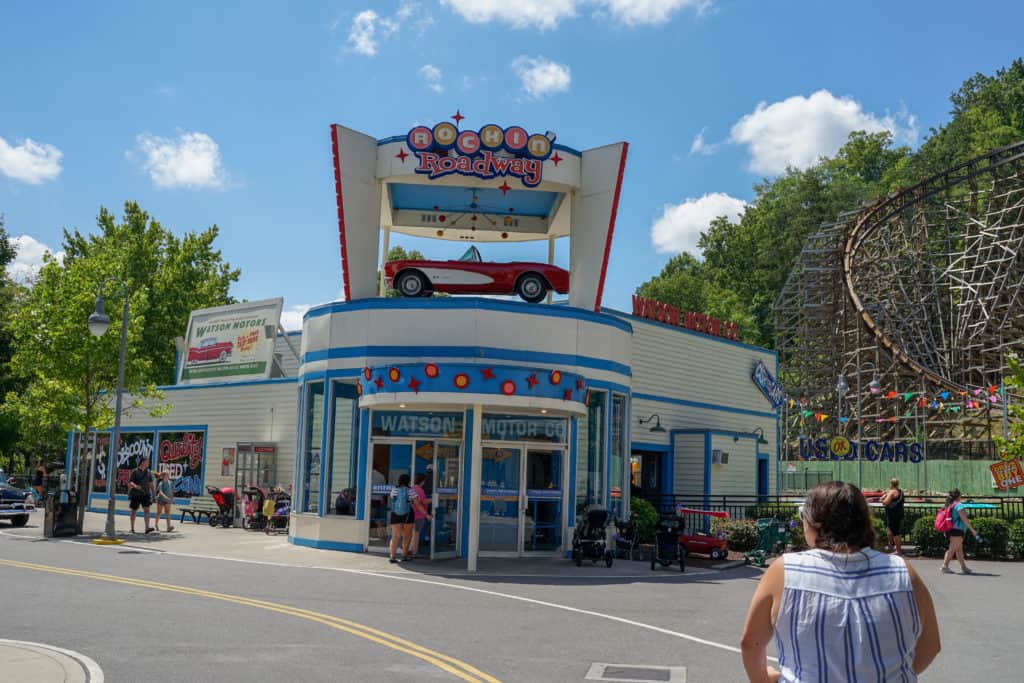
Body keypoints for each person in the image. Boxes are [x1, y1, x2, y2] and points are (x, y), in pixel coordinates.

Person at [740, 481, 940, 682]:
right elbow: (931, 646)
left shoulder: (784, 571)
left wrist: (764, 679)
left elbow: (751, 643)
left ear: (814, 524)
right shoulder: (903, 572)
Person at [941, 488, 981, 574]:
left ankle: (964, 567)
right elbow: (965, 520)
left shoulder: (949, 504)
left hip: (951, 530)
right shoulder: (959, 505)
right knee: (952, 549)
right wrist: (973, 530)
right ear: (958, 496)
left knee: (959, 550)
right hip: (958, 530)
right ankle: (945, 566)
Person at [388, 474, 416, 564]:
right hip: (407, 514)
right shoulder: (410, 490)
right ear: (408, 481)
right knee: (407, 536)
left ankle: (392, 557)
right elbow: (415, 502)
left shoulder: (394, 489)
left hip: (395, 514)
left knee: (395, 536)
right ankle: (404, 556)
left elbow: (392, 498)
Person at [127, 457, 156, 534]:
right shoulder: (135, 471)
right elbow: (130, 482)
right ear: (142, 462)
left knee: (147, 510)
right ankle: (132, 528)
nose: (148, 463)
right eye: (147, 462)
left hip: (145, 494)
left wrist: (153, 494)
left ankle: (147, 528)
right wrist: (136, 486)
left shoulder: (148, 472)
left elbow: (151, 484)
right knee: (134, 511)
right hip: (136, 494)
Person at [409, 473, 432, 560]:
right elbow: (424, 502)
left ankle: (410, 550)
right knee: (416, 534)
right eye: (424, 481)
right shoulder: (420, 490)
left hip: (412, 514)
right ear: (422, 481)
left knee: (412, 534)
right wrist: (434, 499)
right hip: (419, 515)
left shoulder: (412, 488)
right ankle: (414, 552)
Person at [880, 477, 905, 554]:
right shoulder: (900, 491)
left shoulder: (891, 492)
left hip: (892, 514)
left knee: (895, 532)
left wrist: (882, 499)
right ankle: (892, 545)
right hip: (899, 513)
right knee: (891, 529)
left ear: (891, 484)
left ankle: (898, 550)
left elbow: (885, 502)